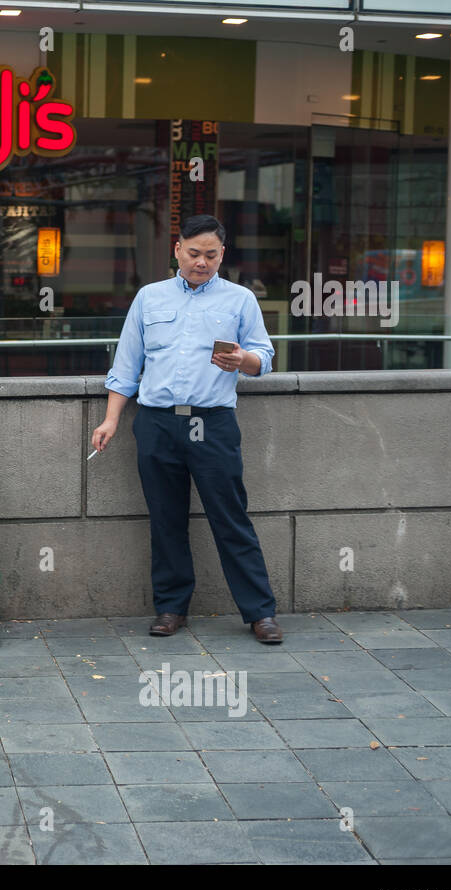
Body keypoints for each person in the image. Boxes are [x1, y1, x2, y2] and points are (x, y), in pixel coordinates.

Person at [90, 215, 283, 645]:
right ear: (177, 250)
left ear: (222, 255)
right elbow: (126, 367)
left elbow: (265, 357)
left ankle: (260, 613)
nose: (202, 262)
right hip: (157, 422)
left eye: (210, 255)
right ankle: (171, 607)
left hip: (211, 423)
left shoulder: (239, 300)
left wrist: (243, 361)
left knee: (230, 517)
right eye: (194, 253)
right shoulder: (149, 298)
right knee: (166, 519)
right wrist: (111, 419)